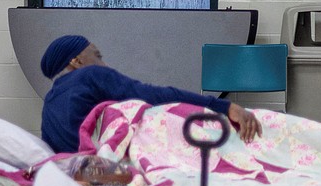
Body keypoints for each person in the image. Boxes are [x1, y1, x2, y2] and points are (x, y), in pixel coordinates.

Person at [39, 34, 262, 153]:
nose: (104, 63)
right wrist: (225, 107)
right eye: (98, 56)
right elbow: (155, 96)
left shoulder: (48, 105)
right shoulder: (90, 75)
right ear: (77, 61)